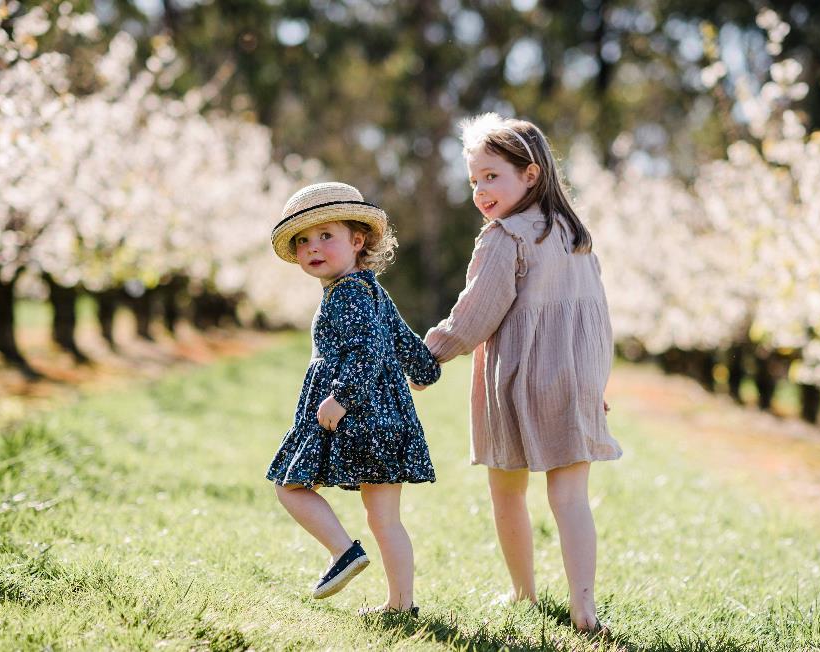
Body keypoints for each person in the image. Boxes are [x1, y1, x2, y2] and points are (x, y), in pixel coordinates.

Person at [420, 113, 621, 635]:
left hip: (518, 381)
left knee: (507, 492)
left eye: (492, 176)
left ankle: (523, 593)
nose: (481, 191)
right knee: (571, 497)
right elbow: (596, 319)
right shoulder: (575, 236)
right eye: (474, 181)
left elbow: (474, 316)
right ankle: (584, 608)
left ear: (530, 175)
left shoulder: (503, 238)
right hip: (575, 376)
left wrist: (431, 355)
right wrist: (594, 382)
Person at [266, 181, 439, 615]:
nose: (313, 247)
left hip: (355, 415)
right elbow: (402, 341)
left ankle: (343, 553)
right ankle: (401, 606)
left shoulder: (346, 294)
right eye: (304, 240)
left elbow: (368, 349)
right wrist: (424, 370)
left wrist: (340, 397)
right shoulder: (371, 290)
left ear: (357, 240)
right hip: (386, 418)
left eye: (327, 236)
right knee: (385, 518)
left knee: (290, 485)